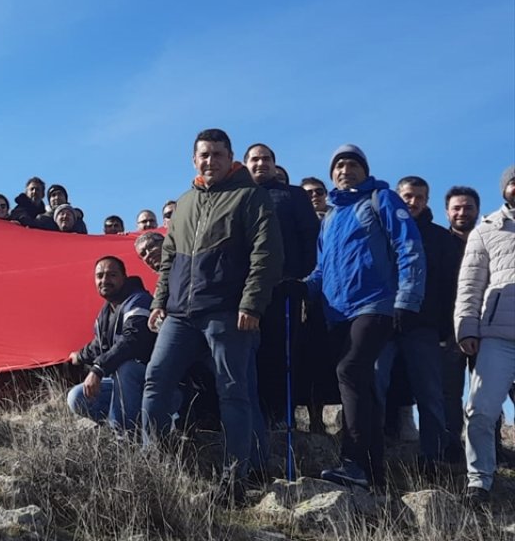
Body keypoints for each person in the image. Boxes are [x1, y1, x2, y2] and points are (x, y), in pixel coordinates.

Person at [142, 128, 283, 505]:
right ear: (194, 159)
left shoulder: (249, 196)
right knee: (155, 380)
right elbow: (168, 257)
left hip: (226, 312)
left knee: (234, 393)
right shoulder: (185, 202)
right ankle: (148, 470)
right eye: (204, 155)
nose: (210, 161)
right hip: (179, 314)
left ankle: (235, 481)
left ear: (230, 157)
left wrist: (251, 304)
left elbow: (265, 254)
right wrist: (159, 302)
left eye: (217, 154)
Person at [305, 144, 424, 489]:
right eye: (339, 165)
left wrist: (408, 298)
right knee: (366, 387)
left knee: (350, 371)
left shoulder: (381, 199)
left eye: (352, 164)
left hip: (376, 304)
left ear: (364, 170)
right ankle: (373, 473)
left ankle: (352, 461)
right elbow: (320, 269)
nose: (345, 170)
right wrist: (300, 288)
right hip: (337, 312)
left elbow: (409, 247)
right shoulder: (329, 219)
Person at [375, 176, 457, 468]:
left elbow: (452, 286)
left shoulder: (440, 238)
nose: (413, 202)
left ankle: (432, 457)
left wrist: (447, 329)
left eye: (419, 197)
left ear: (427, 200)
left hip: (424, 325)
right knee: (374, 384)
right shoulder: (378, 232)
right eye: (407, 196)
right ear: (397, 197)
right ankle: (371, 453)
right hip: (381, 321)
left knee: (429, 392)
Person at [243, 143, 320, 442]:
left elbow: (311, 241)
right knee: (250, 354)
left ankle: (279, 418)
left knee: (283, 354)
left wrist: (304, 283)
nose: (260, 164)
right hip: (243, 290)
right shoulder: (237, 197)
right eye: (254, 159)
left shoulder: (294, 196)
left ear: (275, 165)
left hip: (286, 287)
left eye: (266, 159)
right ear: (245, 163)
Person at [455, 165, 515, 509]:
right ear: (504, 188)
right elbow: (470, 283)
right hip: (496, 336)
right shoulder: (486, 229)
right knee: (480, 412)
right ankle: (479, 482)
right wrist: (466, 327)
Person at [67, 256, 158, 432]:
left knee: (127, 368)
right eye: (99, 276)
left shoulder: (139, 301)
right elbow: (99, 345)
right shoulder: (107, 311)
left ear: (124, 277)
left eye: (112, 275)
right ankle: (130, 424)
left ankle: (123, 437)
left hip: (152, 381)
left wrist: (98, 369)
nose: (104, 280)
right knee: (77, 397)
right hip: (124, 386)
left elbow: (132, 340)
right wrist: (79, 356)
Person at [441, 185, 480, 460]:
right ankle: (452, 446)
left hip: (488, 327)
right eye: (456, 207)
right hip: (447, 328)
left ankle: (487, 446)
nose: (462, 212)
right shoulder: (438, 242)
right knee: (449, 392)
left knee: (486, 393)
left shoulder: (488, 240)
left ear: (477, 210)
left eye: (468, 207)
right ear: (447, 211)